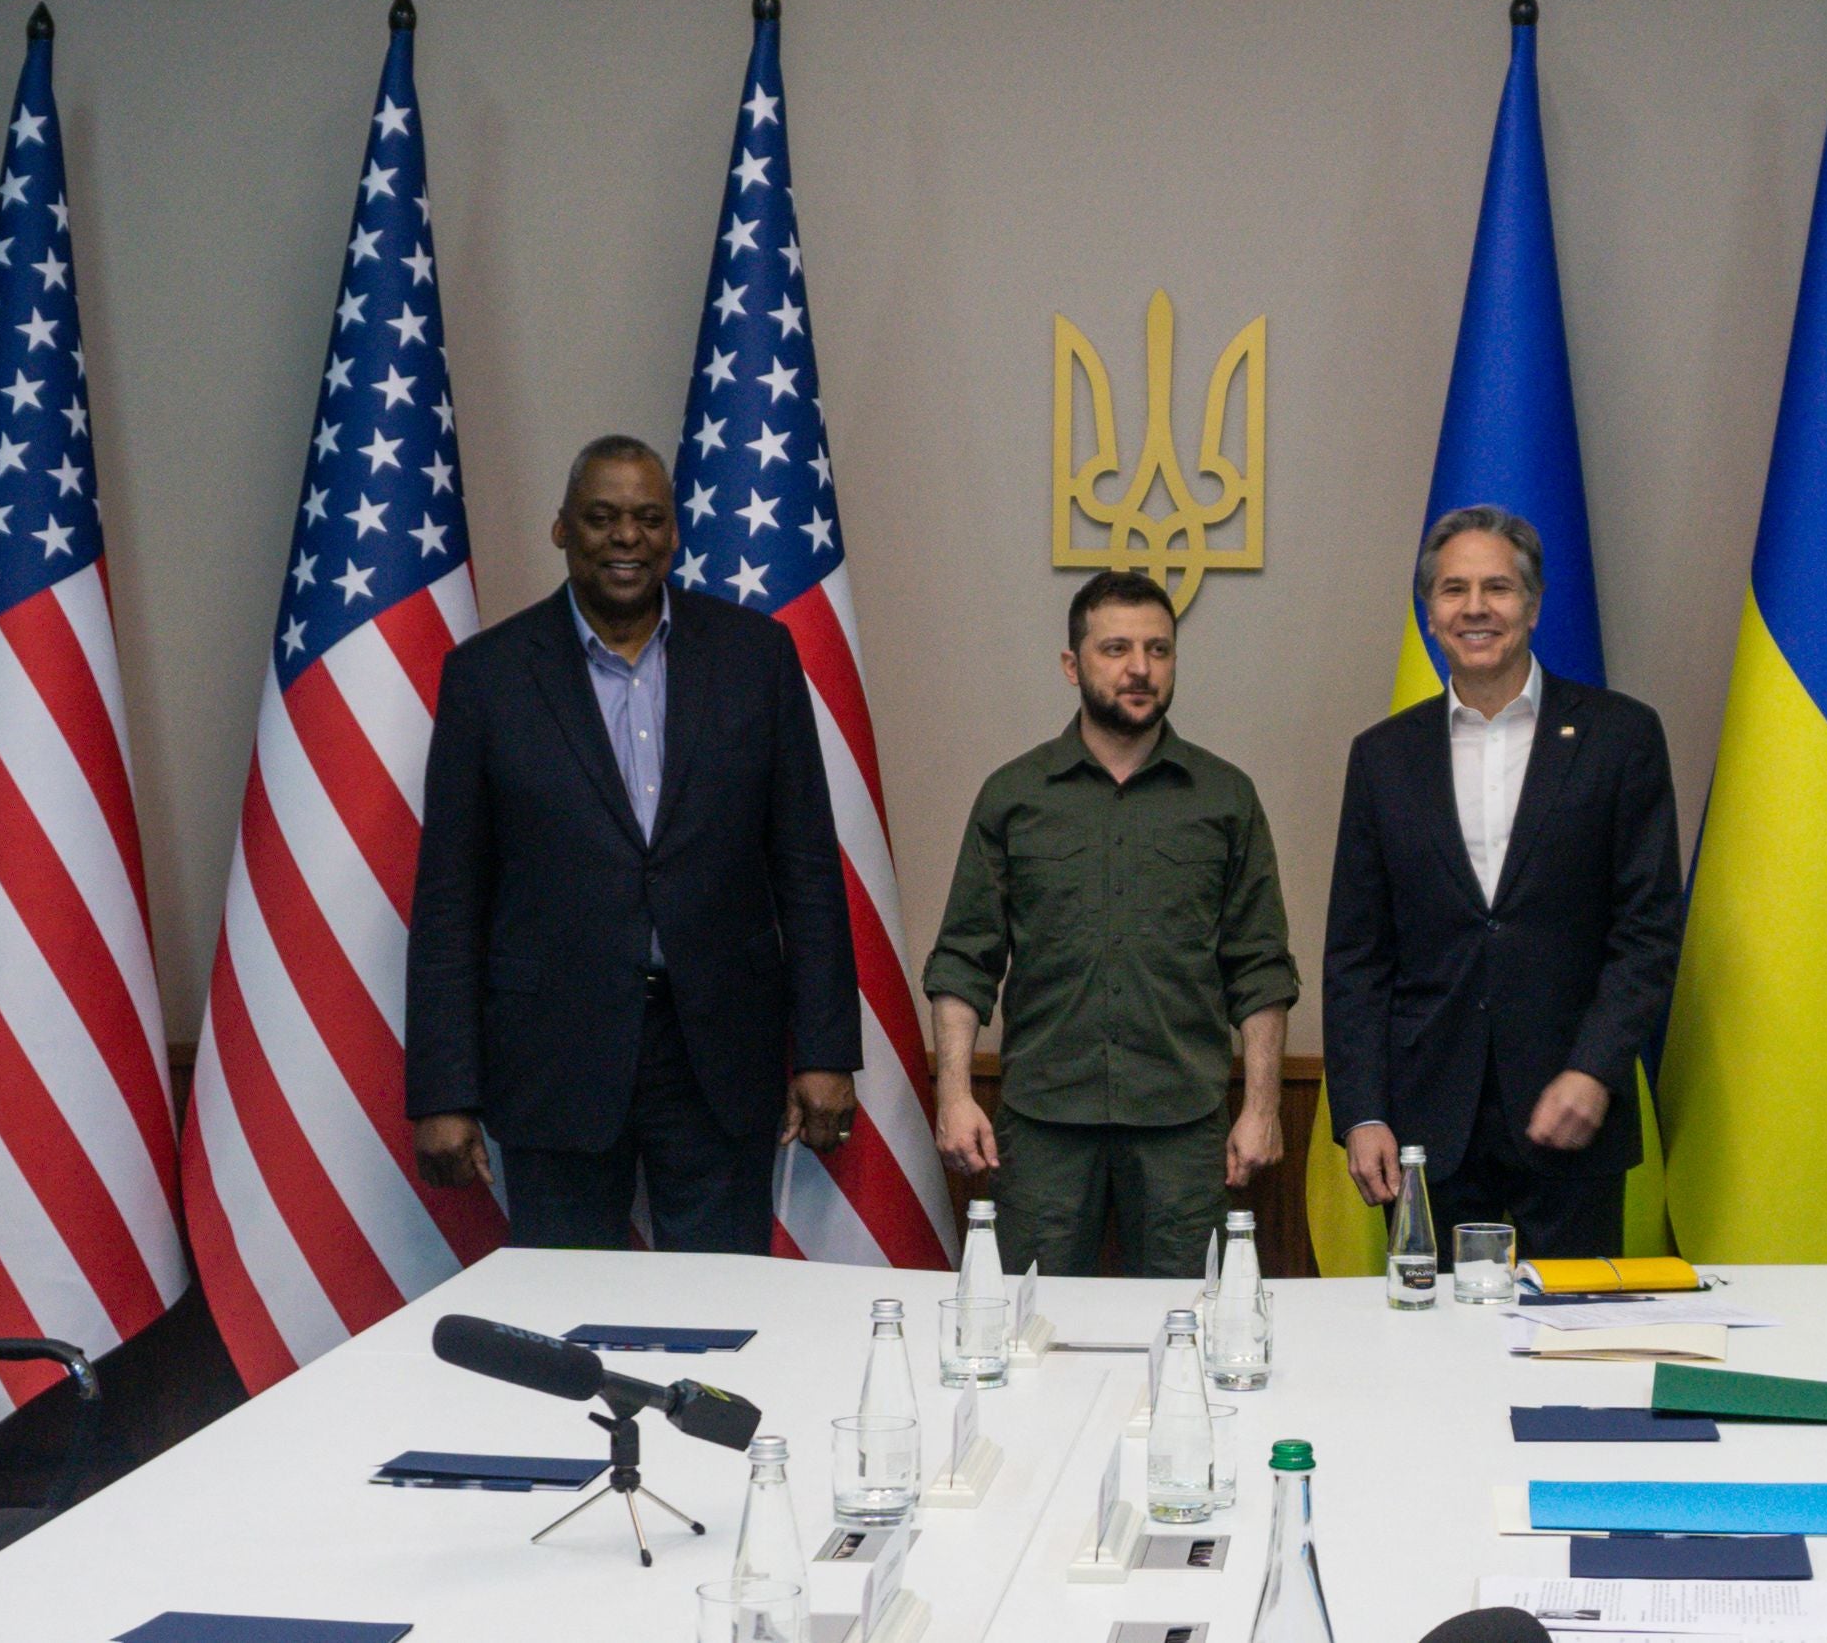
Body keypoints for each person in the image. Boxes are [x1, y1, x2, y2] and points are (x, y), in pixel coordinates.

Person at [403, 434, 859, 1252]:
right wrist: (444, 1090)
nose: (627, 538)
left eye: (649, 518)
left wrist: (825, 1049)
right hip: (553, 1057)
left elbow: (808, 868)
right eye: (603, 517)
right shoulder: (488, 677)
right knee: (567, 1322)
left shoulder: (756, 658)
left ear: (675, 534)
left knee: (721, 1313)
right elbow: (448, 898)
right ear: (562, 530)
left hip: (718, 1052)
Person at [1323, 507, 1682, 1259]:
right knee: (1434, 1362)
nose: (1476, 607)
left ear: (1534, 604)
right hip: (1426, 1129)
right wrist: (1361, 1113)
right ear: (1430, 613)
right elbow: (1357, 954)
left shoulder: (1621, 738)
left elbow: (1646, 929)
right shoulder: (1383, 757)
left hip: (1571, 1112)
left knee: (1573, 1357)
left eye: (1498, 587)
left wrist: (1595, 1068)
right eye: (1454, 590)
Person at [922, 571, 1300, 1277]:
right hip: (1043, 1125)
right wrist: (952, 1093)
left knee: (1193, 1331)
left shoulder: (1225, 797)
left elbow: (1260, 968)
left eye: (1159, 650)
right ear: (1073, 665)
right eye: (1116, 648)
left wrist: (1263, 1105)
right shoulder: (1014, 795)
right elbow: (964, 962)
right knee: (1028, 1338)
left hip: (1184, 1126)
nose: (1139, 668)